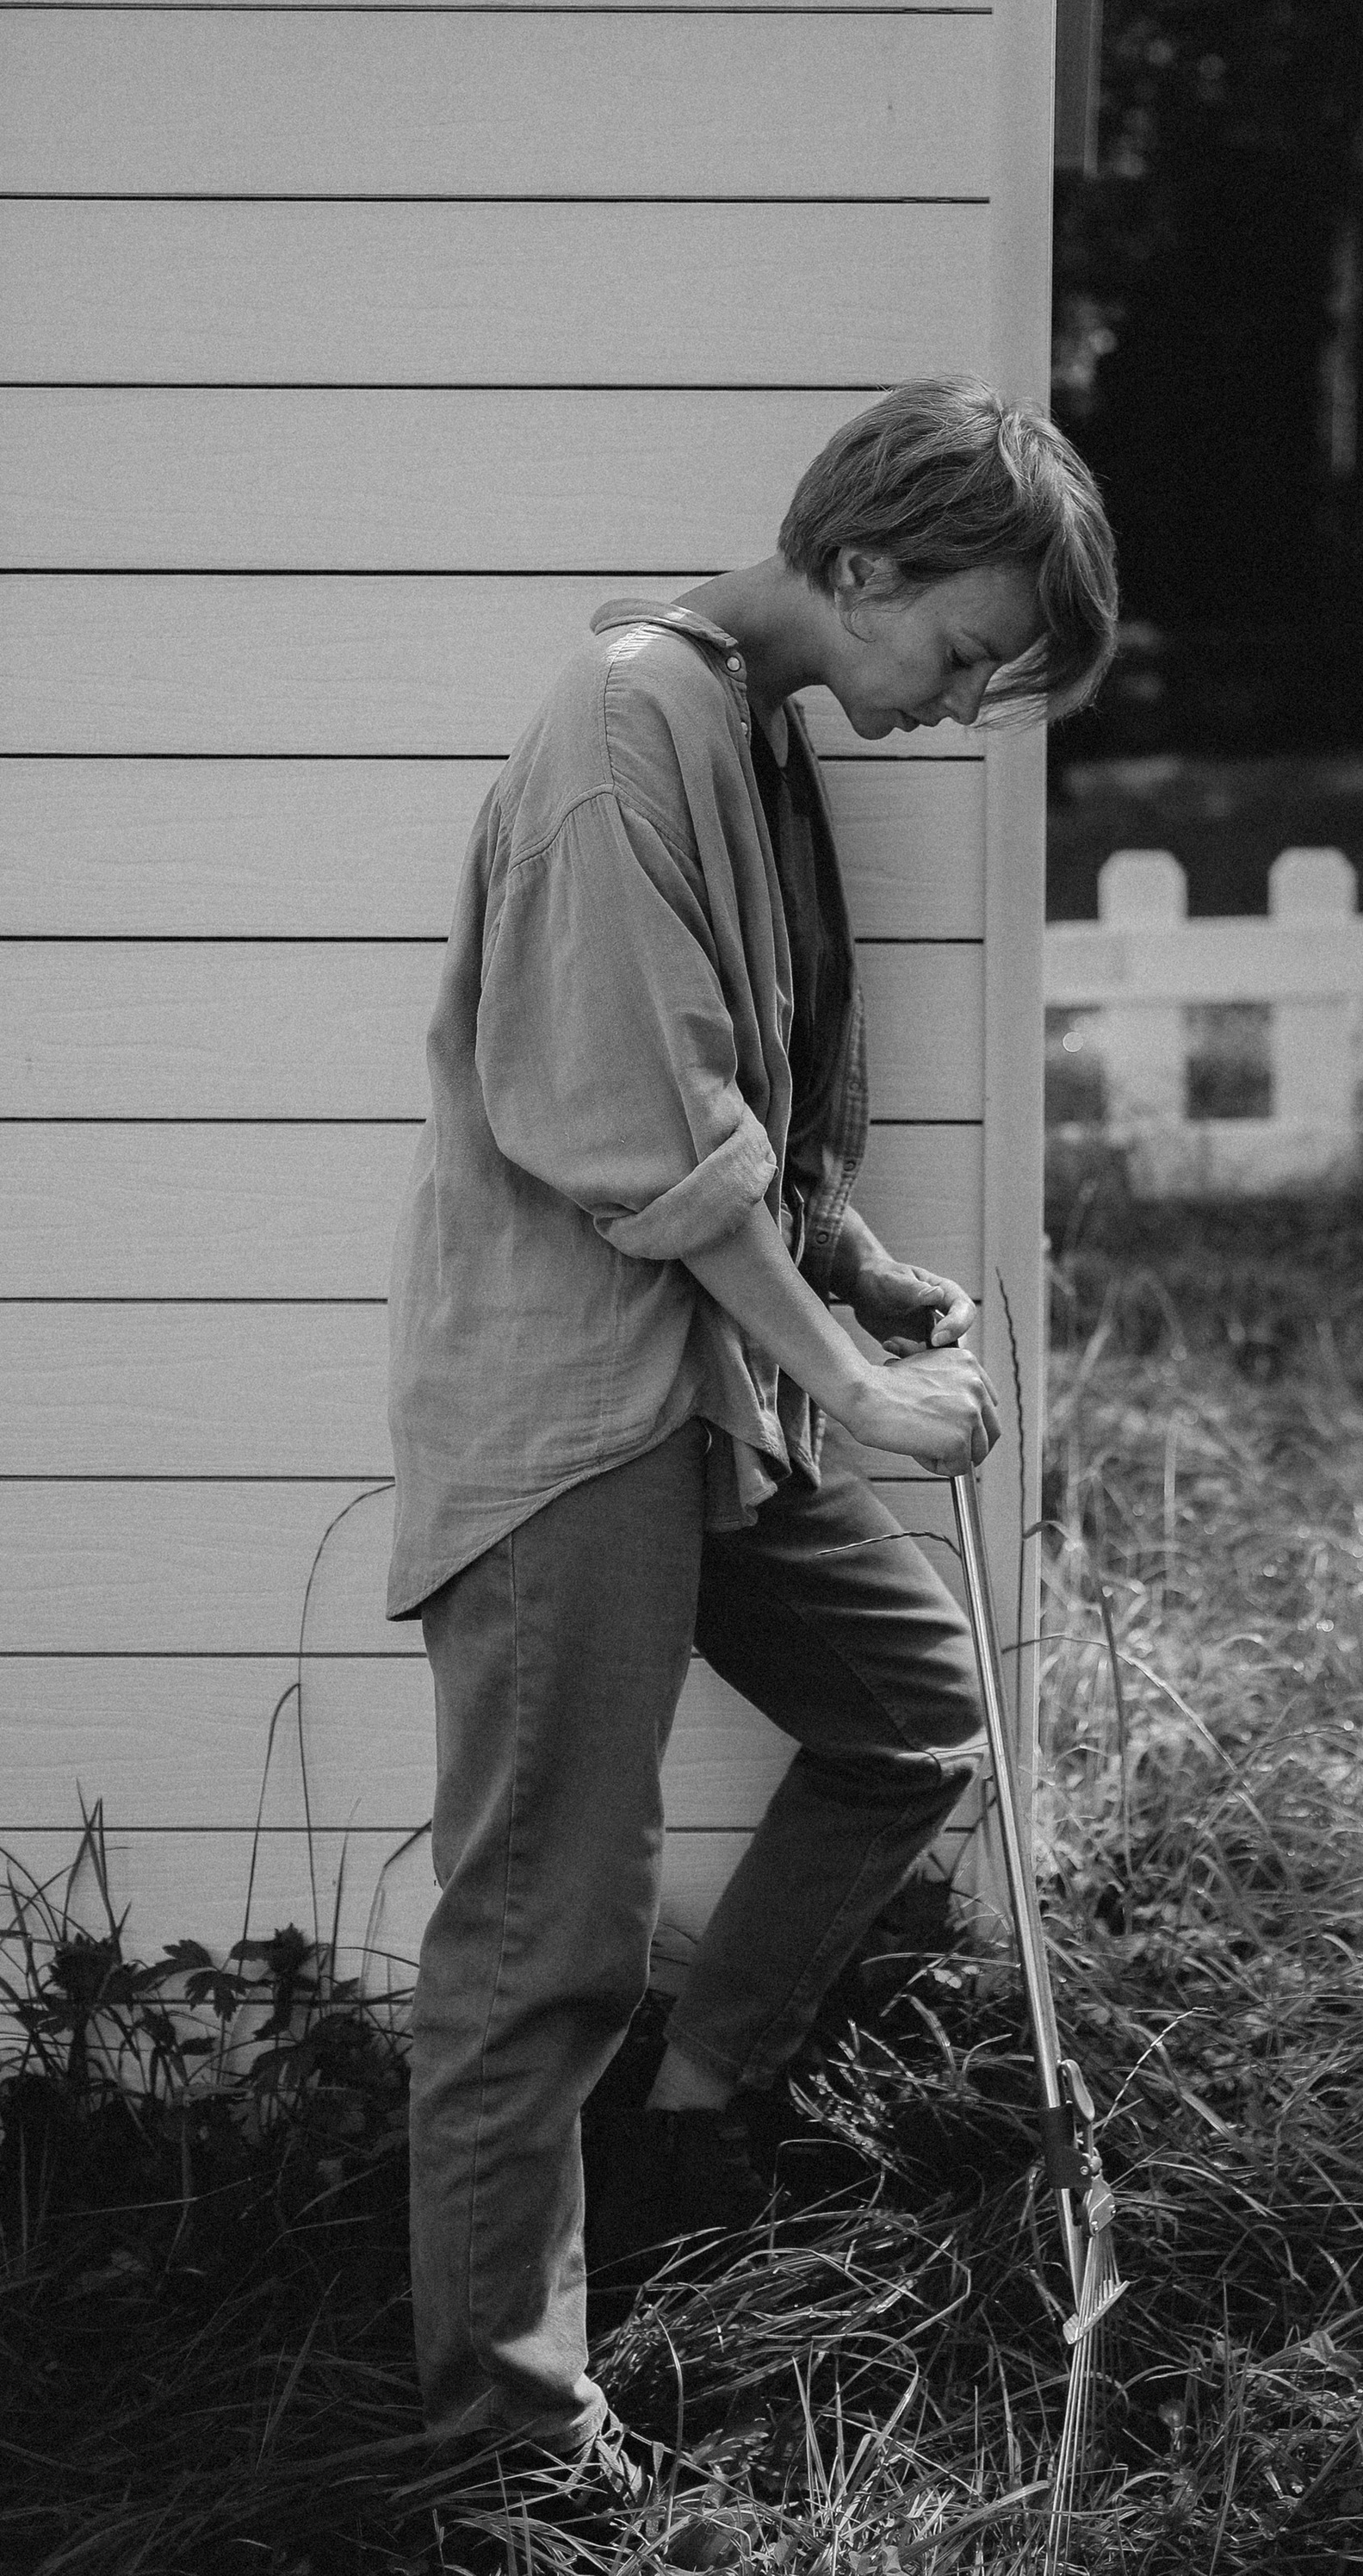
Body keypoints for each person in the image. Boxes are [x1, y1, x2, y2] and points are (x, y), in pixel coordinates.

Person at [386, 377, 1117, 2504]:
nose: (959, 703)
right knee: (542, 1940)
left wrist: (851, 1269)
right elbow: (639, 1135)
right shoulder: (623, 734)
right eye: (965, 651)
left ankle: (696, 2118)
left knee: (911, 1709)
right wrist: (862, 1392)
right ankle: (508, 2448)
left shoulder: (747, 727)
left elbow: (741, 1110)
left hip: (705, 1389)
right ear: (861, 564)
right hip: (576, 1420)